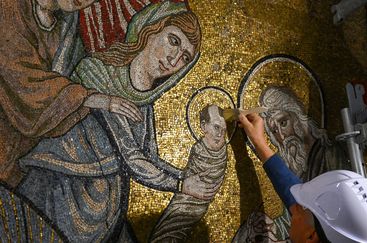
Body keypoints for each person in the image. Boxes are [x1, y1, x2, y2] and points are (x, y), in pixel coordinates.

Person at [14, 1, 216, 242]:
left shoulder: (144, 103)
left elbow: (149, 158)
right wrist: (181, 183)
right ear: (150, 29)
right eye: (173, 41)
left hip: (103, 211)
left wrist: (187, 175)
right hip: (58, 191)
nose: (173, 60)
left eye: (184, 57)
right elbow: (131, 157)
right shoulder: (97, 72)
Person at [0, 0, 142, 187]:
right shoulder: (10, 7)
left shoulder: (70, 28)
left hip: (17, 154)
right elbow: (24, 79)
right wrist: (93, 99)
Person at [238, 113, 367, 243]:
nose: (294, 206)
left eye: (301, 207)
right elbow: (290, 190)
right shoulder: (325, 230)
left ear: (310, 237)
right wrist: (259, 142)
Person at [150, 105, 228, 242]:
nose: (220, 134)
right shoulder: (197, 151)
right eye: (216, 127)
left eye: (224, 130)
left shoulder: (222, 154)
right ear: (203, 127)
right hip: (181, 206)